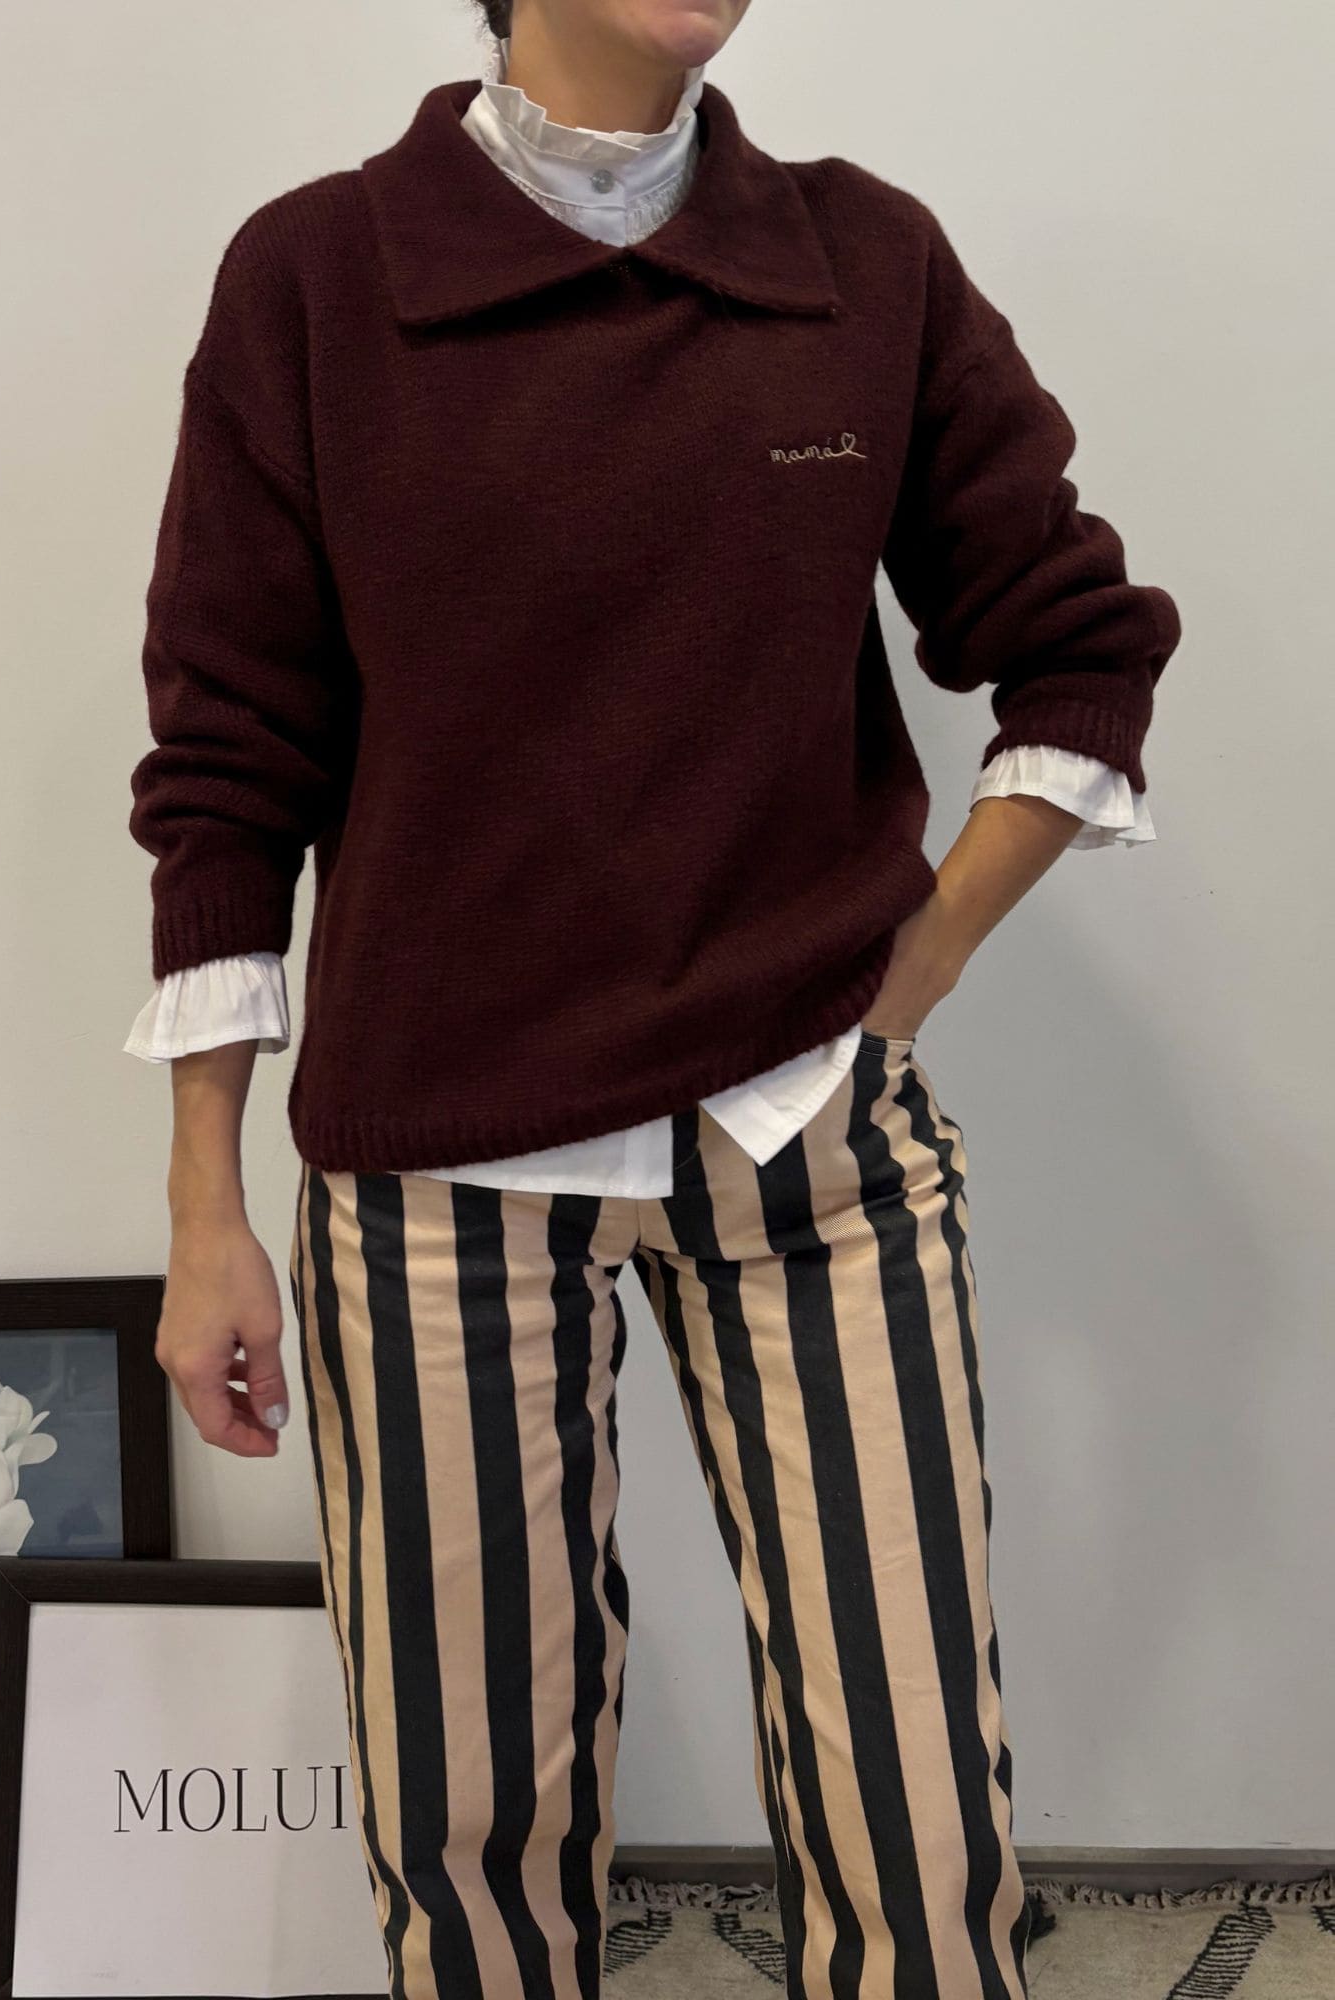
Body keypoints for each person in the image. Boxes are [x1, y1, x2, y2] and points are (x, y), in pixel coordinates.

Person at [124, 2, 1181, 1994]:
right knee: (463, 1826)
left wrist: (923, 960)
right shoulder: (319, 279)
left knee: (916, 1815)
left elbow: (1074, 643)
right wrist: (203, 1203)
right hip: (433, 1157)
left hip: (813, 1135)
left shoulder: (859, 261)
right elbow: (227, 768)